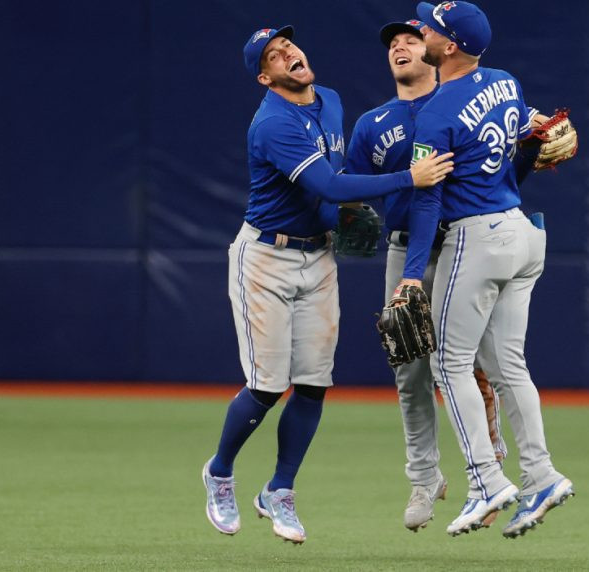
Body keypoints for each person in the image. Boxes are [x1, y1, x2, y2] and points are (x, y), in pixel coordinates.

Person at [202, 25, 454, 545]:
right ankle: (221, 472)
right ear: (265, 77)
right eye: (274, 54)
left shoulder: (331, 101)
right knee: (268, 385)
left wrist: (345, 220)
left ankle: (280, 489)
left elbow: (336, 190)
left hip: (317, 256)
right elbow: (331, 186)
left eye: (289, 44)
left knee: (315, 383)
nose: (288, 52)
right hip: (266, 257)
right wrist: (411, 178)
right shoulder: (272, 124)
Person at [345, 18, 545, 532]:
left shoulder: (458, 102)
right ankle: (425, 476)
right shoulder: (373, 124)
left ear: (436, 48)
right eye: (393, 42)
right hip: (408, 247)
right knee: (410, 370)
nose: (402, 45)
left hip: (464, 243)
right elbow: (350, 191)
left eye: (413, 37)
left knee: (473, 362)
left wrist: (532, 149)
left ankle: (490, 467)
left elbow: (500, 177)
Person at [394, 1, 574, 538]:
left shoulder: (437, 111)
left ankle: (485, 481)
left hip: (477, 237)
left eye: (429, 27)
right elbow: (524, 152)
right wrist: (541, 143)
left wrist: (409, 272)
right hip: (521, 230)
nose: (420, 30)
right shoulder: (507, 82)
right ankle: (541, 474)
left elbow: (428, 199)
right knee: (507, 365)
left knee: (449, 364)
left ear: (448, 46)